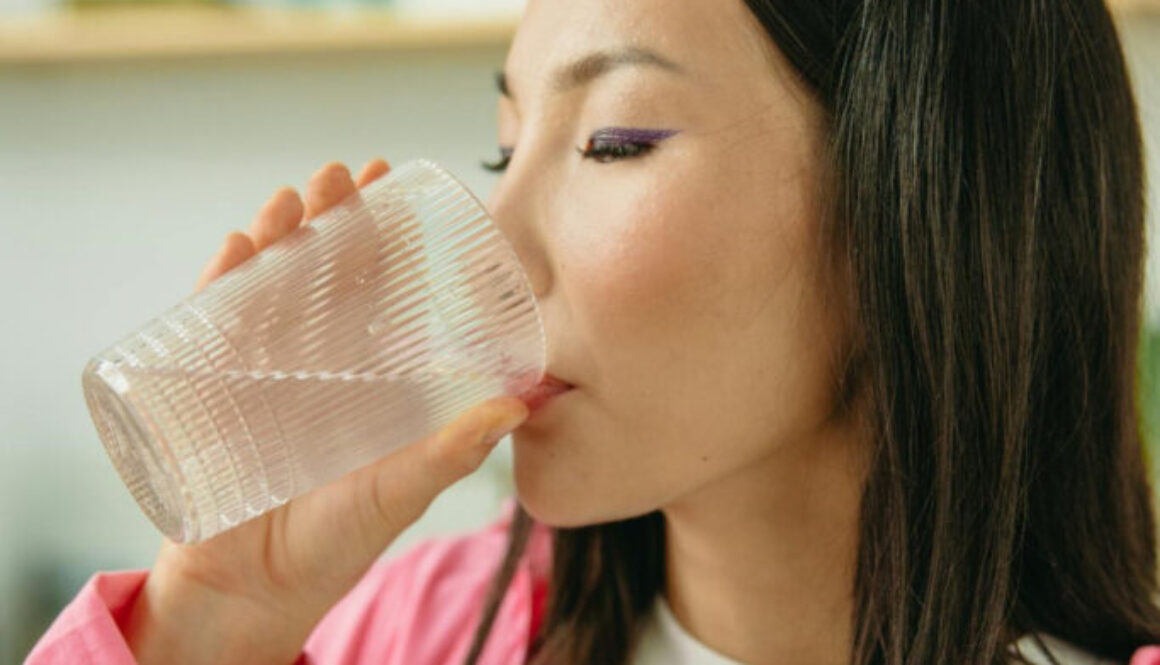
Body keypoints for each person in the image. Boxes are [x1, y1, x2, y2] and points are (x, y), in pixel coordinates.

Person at [24, 0, 1160, 663]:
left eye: (614, 142)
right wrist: (207, 625)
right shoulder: (423, 632)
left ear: (925, 194)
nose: (486, 245)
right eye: (501, 151)